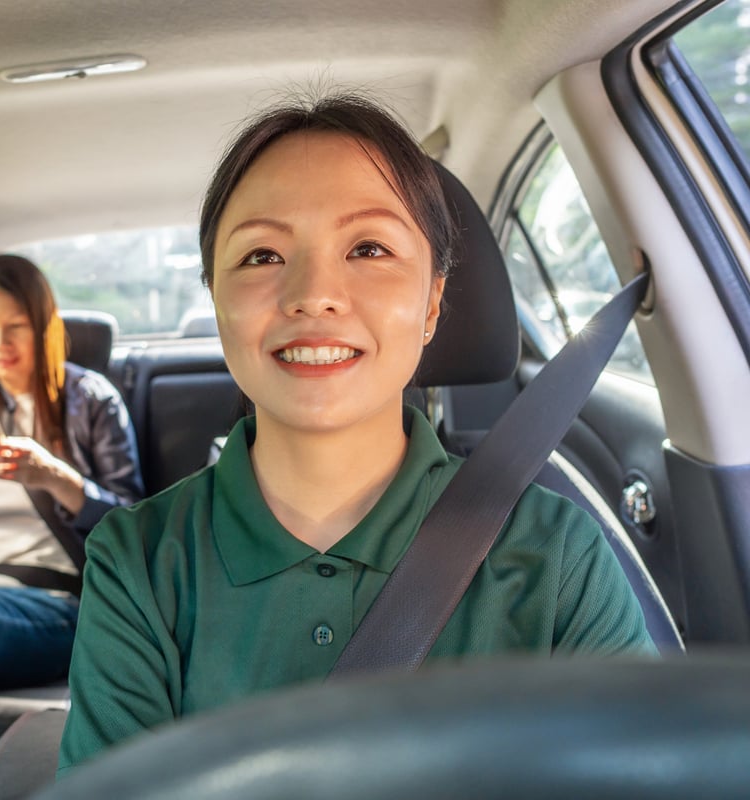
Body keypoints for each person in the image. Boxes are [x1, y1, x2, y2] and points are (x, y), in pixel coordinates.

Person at [58, 93, 656, 775]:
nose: (314, 293)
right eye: (261, 254)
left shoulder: (555, 556)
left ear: (432, 303)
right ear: (215, 298)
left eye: (368, 248)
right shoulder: (140, 563)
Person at [0, 254, 142, 691]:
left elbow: (134, 528)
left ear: (43, 324)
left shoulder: (92, 399)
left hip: (47, 599)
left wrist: (55, 476)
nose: (0, 342)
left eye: (15, 325)